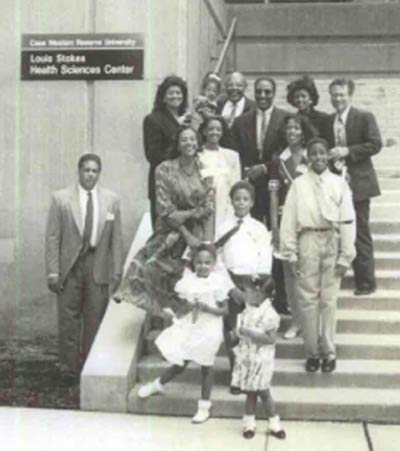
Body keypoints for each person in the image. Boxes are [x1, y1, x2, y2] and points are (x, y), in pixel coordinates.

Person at [114, 126, 213, 315]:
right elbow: (165, 210)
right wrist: (187, 230)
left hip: (198, 232)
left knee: (191, 282)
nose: (189, 143)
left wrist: (188, 216)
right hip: (171, 231)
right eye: (184, 139)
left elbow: (208, 207)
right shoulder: (164, 169)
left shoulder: (205, 168)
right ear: (177, 143)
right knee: (153, 270)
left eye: (192, 139)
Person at [280, 138, 356, 373]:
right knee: (307, 299)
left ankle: (329, 351)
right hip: (308, 240)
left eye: (323, 153)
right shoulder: (299, 184)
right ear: (308, 156)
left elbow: (347, 219)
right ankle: (312, 352)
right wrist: (290, 252)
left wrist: (346, 255)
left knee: (328, 300)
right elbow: (289, 220)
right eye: (314, 154)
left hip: (331, 239)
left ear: (328, 156)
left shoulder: (339, 183)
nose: (319, 158)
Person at [45, 153, 123, 382]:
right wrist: (53, 271)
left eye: (94, 171)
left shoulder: (111, 199)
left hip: (97, 265)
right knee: (68, 318)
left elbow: (116, 240)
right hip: (71, 265)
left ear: (99, 173)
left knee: (94, 317)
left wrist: (116, 272)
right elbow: (52, 237)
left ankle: (90, 366)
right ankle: (68, 368)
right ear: (78, 171)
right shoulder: (61, 199)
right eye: (86, 170)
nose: (90, 174)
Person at [136, 243, 231, 424]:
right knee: (181, 359)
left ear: (213, 264)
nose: (203, 266)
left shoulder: (218, 282)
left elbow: (225, 311)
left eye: (207, 263)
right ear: (194, 263)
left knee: (206, 365)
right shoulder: (188, 282)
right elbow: (181, 305)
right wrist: (184, 308)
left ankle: (204, 406)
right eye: (199, 262)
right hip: (193, 323)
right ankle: (158, 384)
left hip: (210, 326)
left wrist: (207, 308)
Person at [322, 78, 382, 295]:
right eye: (334, 95)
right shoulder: (328, 121)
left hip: (359, 182)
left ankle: (366, 281)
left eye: (342, 95)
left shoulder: (364, 117)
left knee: (360, 231)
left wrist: (348, 151)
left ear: (350, 95)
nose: (338, 98)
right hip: (334, 183)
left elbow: (375, 144)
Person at [215, 181, 273, 374]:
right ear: (231, 201)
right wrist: (229, 287)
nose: (241, 203)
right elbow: (218, 259)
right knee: (232, 330)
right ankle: (235, 372)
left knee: (250, 327)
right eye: (237, 199)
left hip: (251, 283)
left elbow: (264, 256)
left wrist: (258, 285)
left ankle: (249, 372)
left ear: (252, 203)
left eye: (245, 199)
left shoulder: (258, 228)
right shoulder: (223, 227)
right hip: (230, 281)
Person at [269, 115, 316, 339]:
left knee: (309, 275)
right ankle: (296, 321)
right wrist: (275, 227)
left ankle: (312, 322)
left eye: (297, 127)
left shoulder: (313, 156)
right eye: (288, 128)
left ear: (304, 131)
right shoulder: (279, 159)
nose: (292, 131)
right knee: (290, 276)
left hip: (310, 222)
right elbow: (273, 195)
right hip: (286, 221)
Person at [228, 77, 289, 225]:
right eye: (259, 92)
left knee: (277, 229)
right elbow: (234, 153)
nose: (262, 96)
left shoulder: (286, 119)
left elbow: (287, 153)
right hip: (250, 186)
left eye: (267, 92)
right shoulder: (241, 121)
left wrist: (265, 167)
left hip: (276, 185)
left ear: (274, 94)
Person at [230, 277, 285, 440]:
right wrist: (237, 332)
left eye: (251, 292)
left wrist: (251, 333)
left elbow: (271, 339)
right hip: (248, 357)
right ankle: (249, 423)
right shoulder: (247, 310)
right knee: (251, 392)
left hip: (262, 358)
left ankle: (274, 422)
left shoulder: (270, 314)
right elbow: (240, 331)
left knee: (264, 391)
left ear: (262, 295)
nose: (247, 295)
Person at [143, 75, 190, 227]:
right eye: (170, 93)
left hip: (186, 185)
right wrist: (179, 131)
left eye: (178, 92)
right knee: (163, 236)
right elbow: (153, 156)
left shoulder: (186, 119)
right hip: (163, 186)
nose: (175, 96)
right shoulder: (153, 119)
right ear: (163, 97)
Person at [198, 115, 241, 234]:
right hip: (203, 209)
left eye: (218, 129)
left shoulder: (232, 156)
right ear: (204, 131)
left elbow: (236, 185)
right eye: (211, 129)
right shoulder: (197, 155)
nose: (214, 132)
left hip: (226, 207)